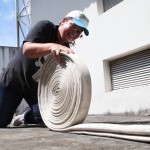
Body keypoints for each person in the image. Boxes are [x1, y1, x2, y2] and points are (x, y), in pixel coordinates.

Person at [0, 10, 89, 127]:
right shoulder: (45, 27)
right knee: (2, 121)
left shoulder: (66, 51)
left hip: (34, 88)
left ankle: (24, 116)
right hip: (13, 81)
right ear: (63, 21)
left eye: (79, 32)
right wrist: (53, 46)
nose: (75, 32)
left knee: (47, 117)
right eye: (73, 26)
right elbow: (27, 49)